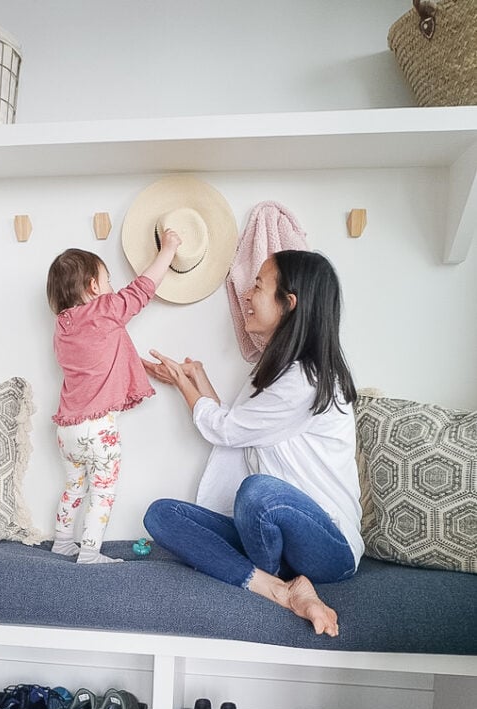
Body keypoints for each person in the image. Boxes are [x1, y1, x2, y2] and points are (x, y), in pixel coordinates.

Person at [142, 249, 363, 636]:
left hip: (329, 546)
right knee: (161, 515)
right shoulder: (276, 370)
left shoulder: (304, 380)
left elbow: (226, 431)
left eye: (258, 286)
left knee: (258, 492)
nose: (247, 294)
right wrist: (196, 380)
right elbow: (238, 428)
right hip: (277, 540)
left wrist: (183, 383)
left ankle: (272, 580)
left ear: (288, 303)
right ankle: (279, 588)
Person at [47, 231, 181, 563]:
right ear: (94, 286)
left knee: (74, 486)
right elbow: (143, 288)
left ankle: (62, 541)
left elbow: (101, 354)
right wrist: (168, 250)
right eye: (108, 280)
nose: (112, 287)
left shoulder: (62, 326)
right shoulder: (104, 310)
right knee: (103, 490)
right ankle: (90, 552)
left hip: (66, 429)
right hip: (98, 429)